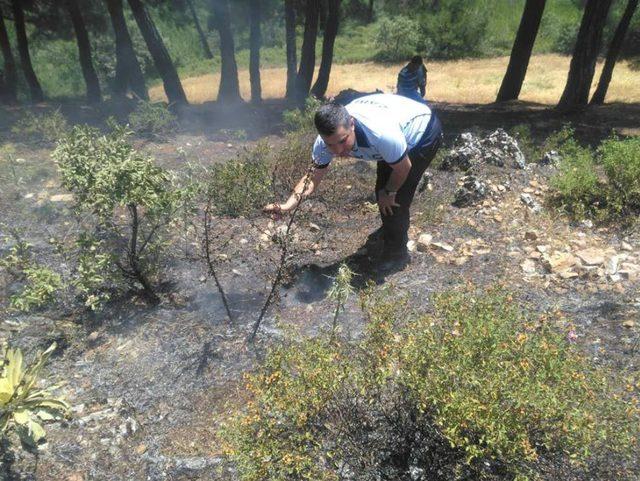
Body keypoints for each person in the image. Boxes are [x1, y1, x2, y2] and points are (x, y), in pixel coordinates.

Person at [264, 93, 443, 272]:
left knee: (395, 199)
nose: (338, 150)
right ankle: (389, 229)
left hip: (422, 131)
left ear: (352, 124)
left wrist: (389, 192)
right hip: (391, 119)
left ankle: (396, 256)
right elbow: (311, 179)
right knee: (382, 191)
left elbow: (403, 168)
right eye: (330, 145)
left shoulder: (381, 134)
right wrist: (287, 205)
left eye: (343, 141)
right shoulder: (324, 142)